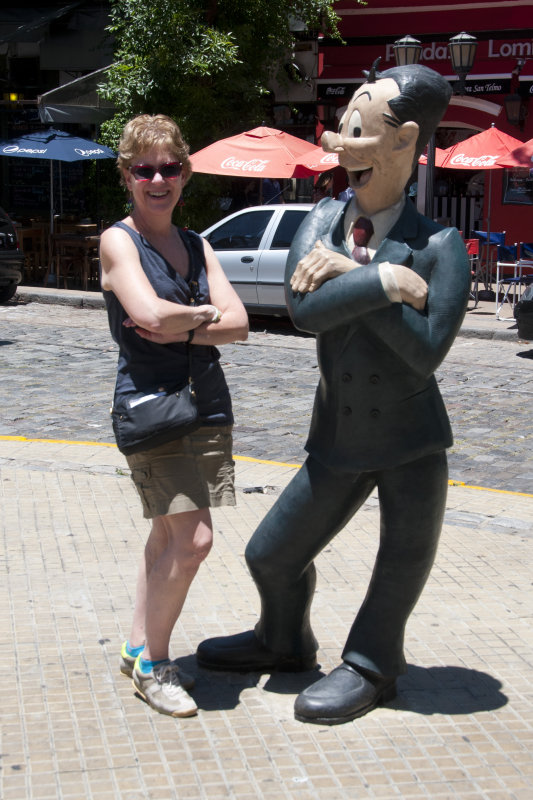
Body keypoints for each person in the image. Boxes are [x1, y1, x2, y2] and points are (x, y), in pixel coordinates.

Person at [197, 62, 471, 726]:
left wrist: (358, 274)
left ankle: (373, 666)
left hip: (410, 443)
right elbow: (303, 311)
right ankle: (282, 640)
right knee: (270, 555)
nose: (337, 143)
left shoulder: (440, 246)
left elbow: (423, 352)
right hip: (337, 437)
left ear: (403, 141)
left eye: (357, 128)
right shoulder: (320, 218)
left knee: (400, 562)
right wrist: (384, 284)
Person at [99, 114, 248, 718]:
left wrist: (183, 320)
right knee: (195, 541)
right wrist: (201, 316)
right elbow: (148, 318)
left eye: (169, 167)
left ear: (184, 173)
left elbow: (239, 325)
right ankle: (157, 667)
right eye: (144, 169)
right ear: (128, 176)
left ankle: (137, 646)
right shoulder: (118, 241)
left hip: (207, 404)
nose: (157, 179)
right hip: (153, 407)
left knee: (166, 536)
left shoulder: (197, 244)